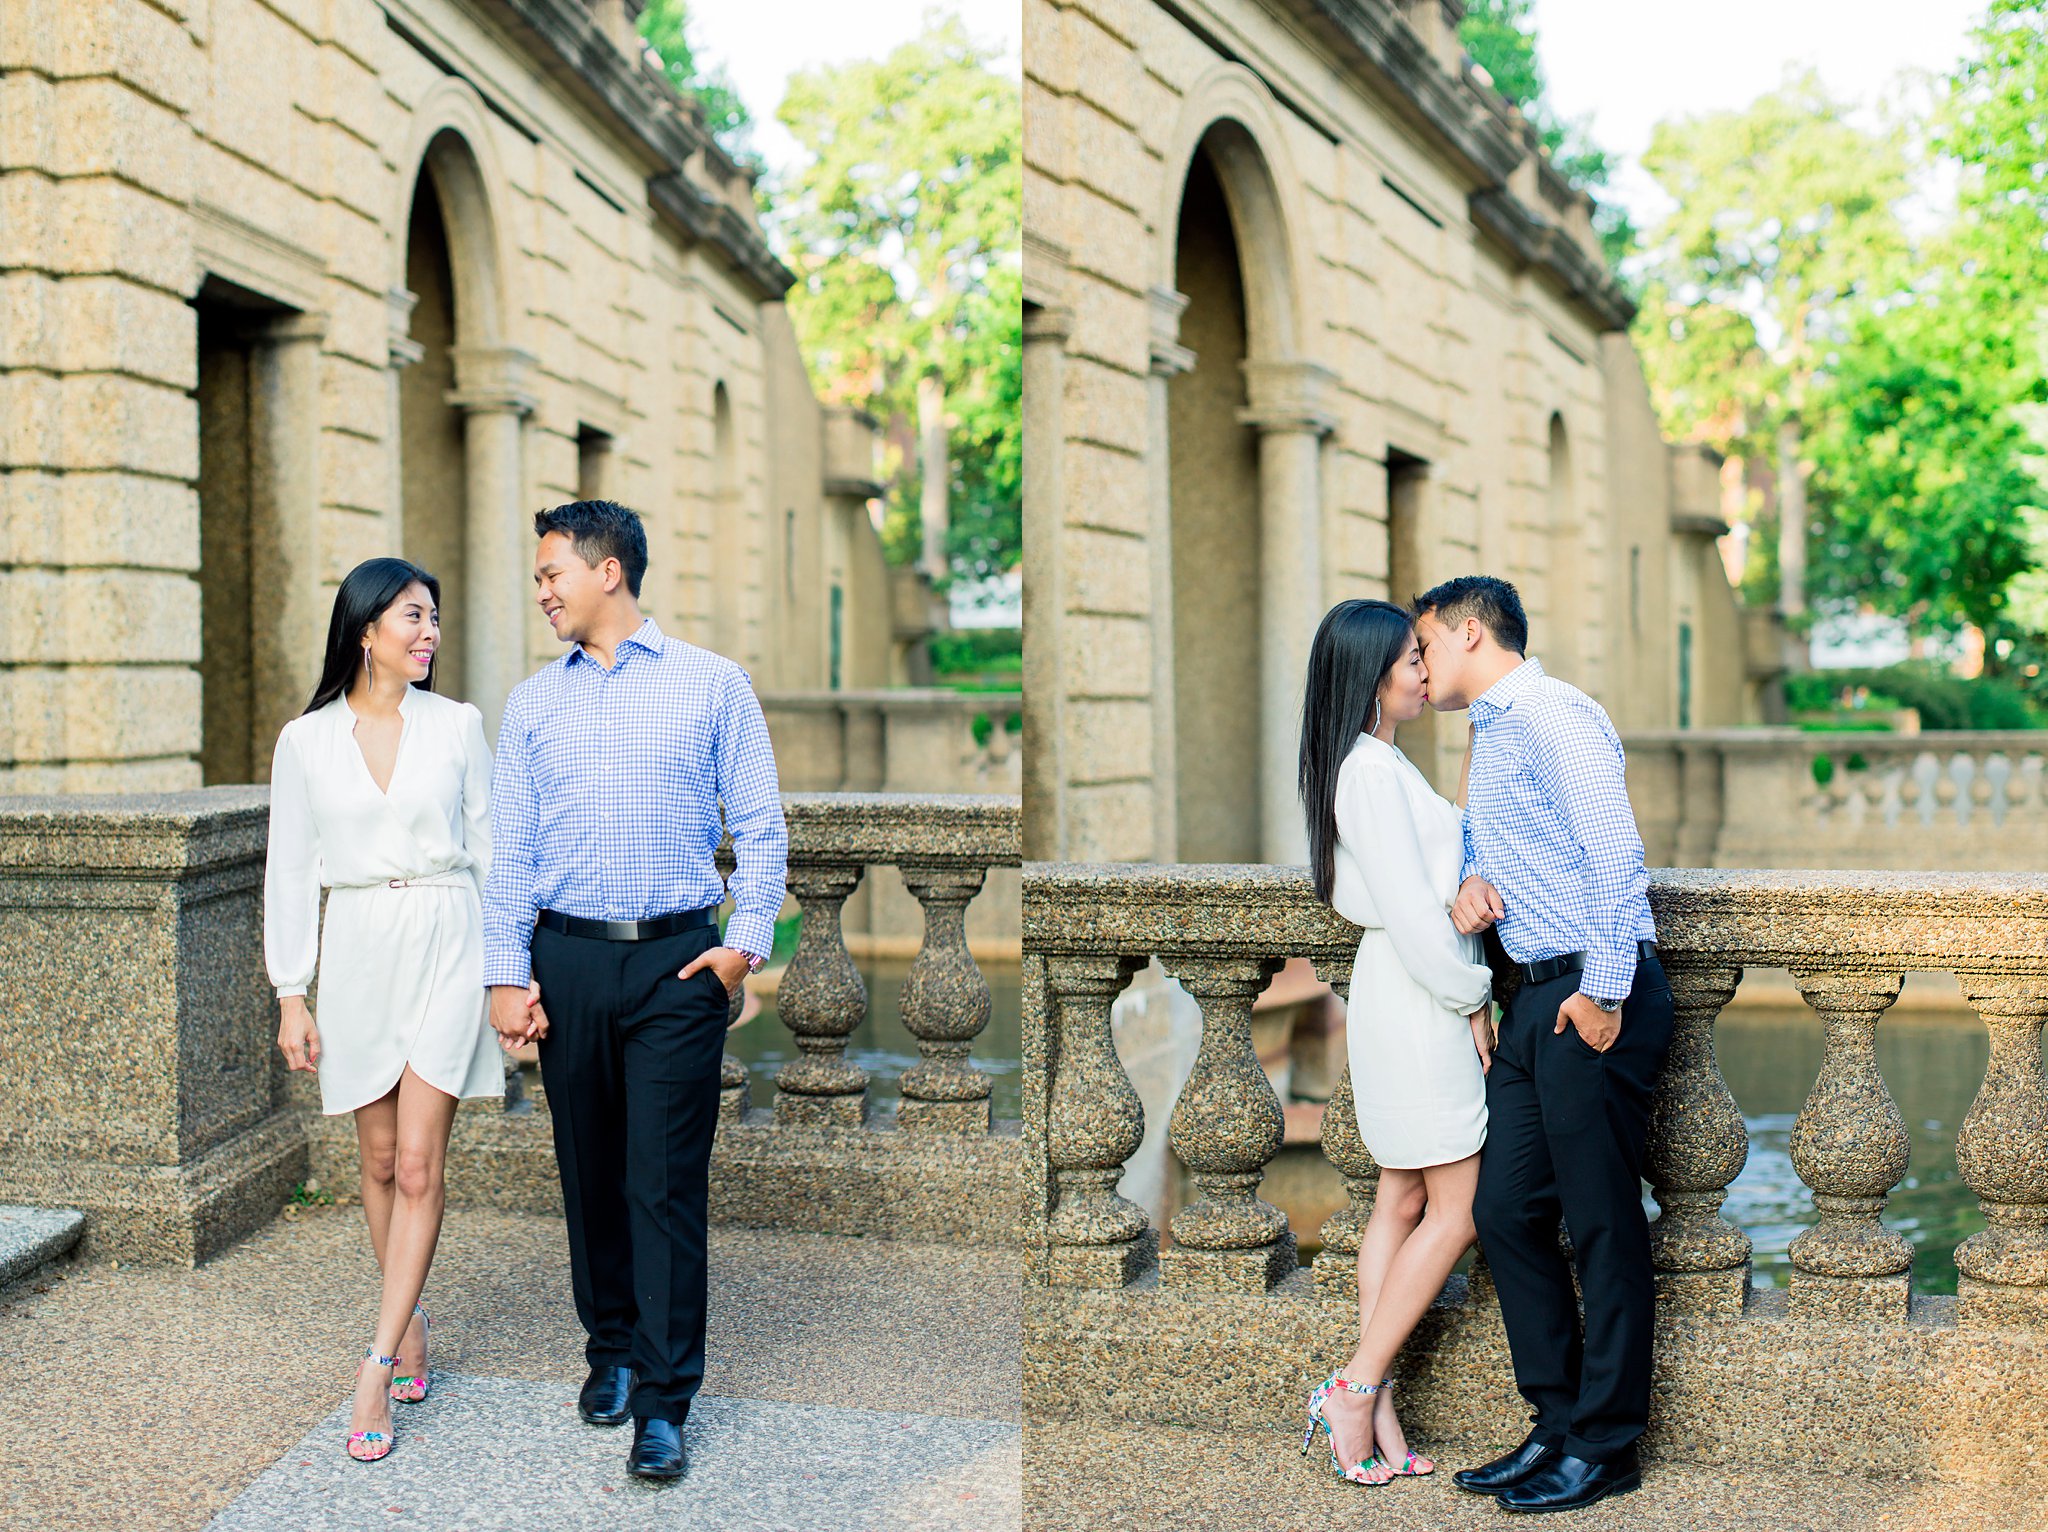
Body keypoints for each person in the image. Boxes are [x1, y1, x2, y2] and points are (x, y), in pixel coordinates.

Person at [482, 500, 788, 1482]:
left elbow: (762, 829)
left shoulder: (712, 685)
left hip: (674, 966)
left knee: (661, 1185)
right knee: (589, 1170)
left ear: (607, 571)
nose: (541, 591)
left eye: (550, 573)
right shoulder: (533, 703)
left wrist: (741, 949)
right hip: (568, 961)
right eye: (538, 577)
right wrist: (505, 973)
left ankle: (663, 1396)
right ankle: (608, 1348)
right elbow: (510, 855)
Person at [1413, 575, 1672, 1515]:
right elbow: (1517, 847)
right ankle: (1558, 1422)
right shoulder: (1490, 729)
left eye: (1426, 645)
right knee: (1507, 1210)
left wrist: (1603, 993)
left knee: (1602, 1222)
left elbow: (1614, 852)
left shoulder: (1554, 713)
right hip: (1532, 997)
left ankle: (1606, 1446)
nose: (1420, 662)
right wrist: (1474, 884)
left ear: (1470, 633)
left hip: (1590, 995)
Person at [264, 557, 502, 1463]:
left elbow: (492, 851)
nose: (429, 632)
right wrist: (293, 992)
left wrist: (507, 972)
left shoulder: (459, 727)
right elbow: (289, 869)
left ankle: (374, 1361)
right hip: (359, 945)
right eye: (413, 616)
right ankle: (410, 1323)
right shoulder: (305, 742)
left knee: (414, 1162)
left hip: (448, 931)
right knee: (370, 1157)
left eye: (434, 618)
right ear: (365, 629)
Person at [1295, 599, 1498, 1488]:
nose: (1424, 669)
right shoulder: (1367, 774)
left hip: (1405, 994)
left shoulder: (1377, 765)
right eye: (1411, 658)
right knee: (1456, 1210)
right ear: (1370, 673)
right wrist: (1474, 994)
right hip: (1422, 1005)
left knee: (1401, 1199)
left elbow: (1395, 889)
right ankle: (1354, 1386)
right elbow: (1415, 921)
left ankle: (1374, 1407)